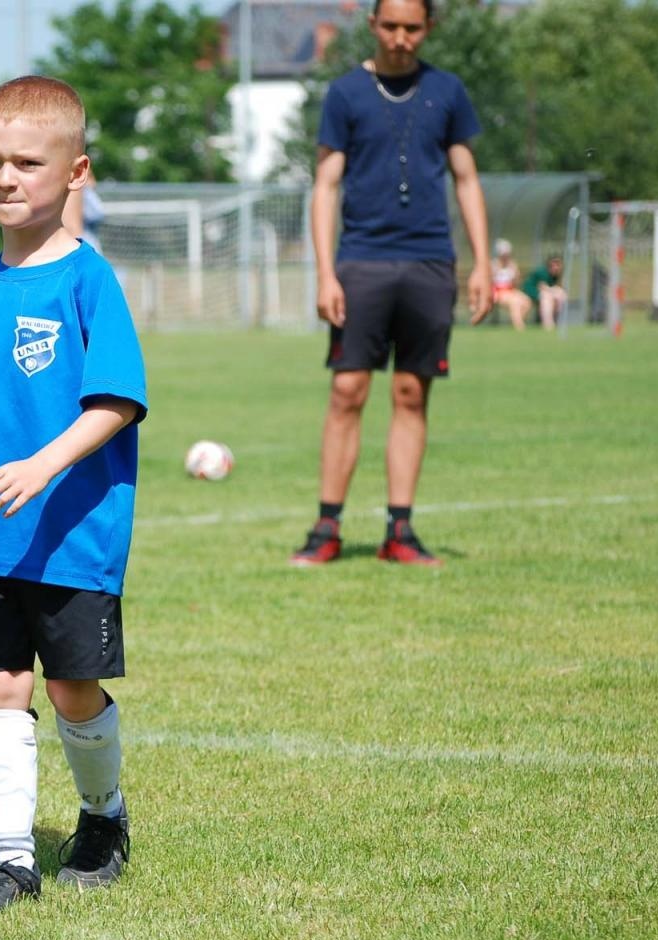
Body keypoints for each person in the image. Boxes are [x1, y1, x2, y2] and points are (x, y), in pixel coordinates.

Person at [0, 76, 147, 912]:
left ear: (75, 170)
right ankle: (12, 860)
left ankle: (102, 816)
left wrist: (42, 466)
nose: (6, 177)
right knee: (3, 686)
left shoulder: (88, 282)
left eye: (26, 161)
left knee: (69, 690)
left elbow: (118, 403)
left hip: (73, 533)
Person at [292, 0, 491, 568]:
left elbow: (467, 178)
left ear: (429, 28)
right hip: (362, 262)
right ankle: (326, 527)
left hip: (429, 262)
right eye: (391, 26)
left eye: (413, 27)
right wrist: (326, 272)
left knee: (411, 393)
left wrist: (481, 263)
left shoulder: (448, 91)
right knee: (347, 391)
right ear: (373, 25)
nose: (402, 38)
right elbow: (326, 186)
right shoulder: (346, 94)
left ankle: (399, 532)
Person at [490, 238, 531, 330]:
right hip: (498, 292)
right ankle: (519, 327)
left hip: (511, 291)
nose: (505, 256)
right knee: (515, 302)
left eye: (507, 253)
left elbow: (516, 282)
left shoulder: (512, 265)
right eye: (503, 254)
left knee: (526, 301)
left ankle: (516, 321)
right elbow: (489, 282)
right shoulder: (493, 265)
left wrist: (516, 274)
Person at [520, 253, 566, 330]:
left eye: (558, 264)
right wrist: (555, 291)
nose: (556, 267)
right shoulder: (542, 272)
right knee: (547, 298)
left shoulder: (556, 274)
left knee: (561, 295)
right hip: (530, 292)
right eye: (554, 264)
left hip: (544, 293)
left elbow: (558, 287)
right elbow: (543, 287)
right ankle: (548, 325)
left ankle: (557, 321)